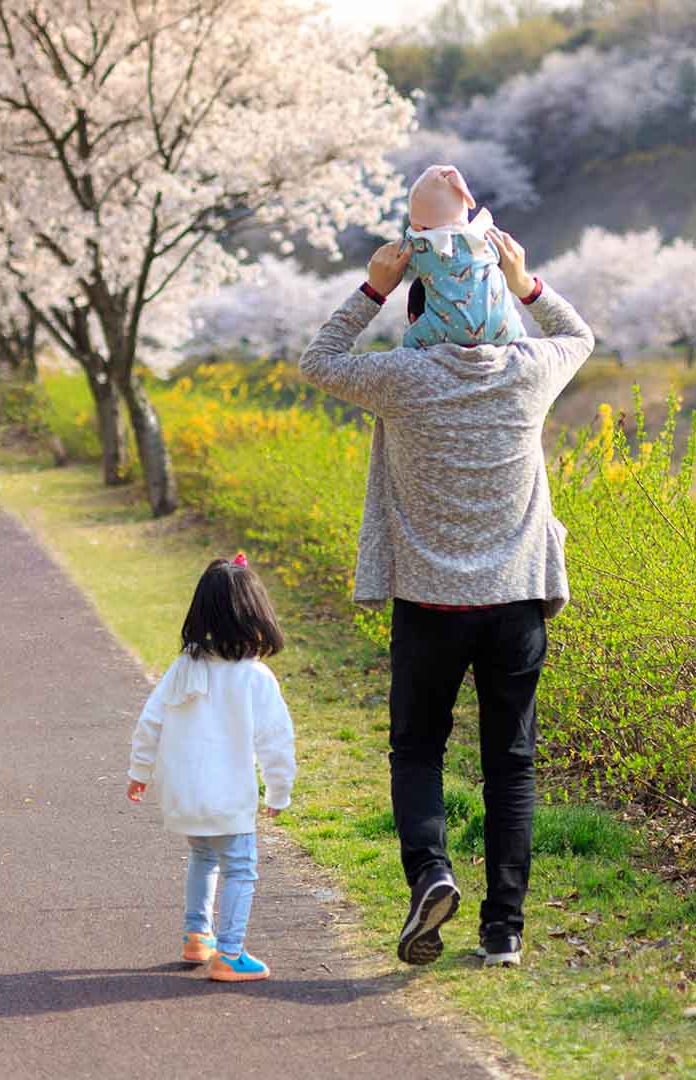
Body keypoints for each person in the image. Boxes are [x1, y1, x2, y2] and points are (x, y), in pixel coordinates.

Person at [300, 227, 593, 970]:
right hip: (517, 603)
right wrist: (526, 281)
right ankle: (504, 931)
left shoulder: (402, 376)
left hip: (430, 605)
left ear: (419, 310)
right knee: (511, 763)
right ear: (494, 304)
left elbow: (318, 361)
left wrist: (374, 286)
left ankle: (431, 873)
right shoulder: (529, 368)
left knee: (420, 749)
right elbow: (579, 333)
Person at [126, 553, 297, 982]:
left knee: (203, 855)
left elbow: (152, 720)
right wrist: (279, 791)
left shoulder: (183, 668)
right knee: (241, 867)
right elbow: (276, 741)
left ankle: (196, 934)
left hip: (184, 792)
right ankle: (230, 953)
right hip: (228, 796)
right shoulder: (254, 678)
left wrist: (140, 772)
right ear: (255, 615)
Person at [400, 164, 525, 350]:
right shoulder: (486, 235)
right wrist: (523, 283)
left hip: (447, 331)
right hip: (502, 327)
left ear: (418, 223)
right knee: (521, 337)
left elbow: (395, 265)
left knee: (409, 343)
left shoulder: (421, 247)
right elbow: (506, 257)